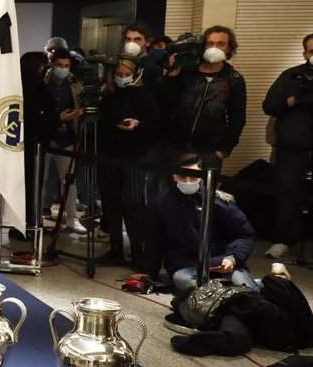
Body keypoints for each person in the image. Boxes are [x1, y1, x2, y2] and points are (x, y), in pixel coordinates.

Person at [133, 156, 259, 298]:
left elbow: (244, 234)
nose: (188, 181)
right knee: (186, 283)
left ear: (202, 176)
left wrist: (233, 258)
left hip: (223, 263)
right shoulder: (161, 204)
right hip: (186, 266)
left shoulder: (220, 202)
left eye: (193, 177)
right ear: (174, 176)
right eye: (182, 176)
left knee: (247, 290)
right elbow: (154, 241)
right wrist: (149, 272)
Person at [96, 53, 159, 267]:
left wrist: (138, 125)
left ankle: (137, 251)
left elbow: (155, 125)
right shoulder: (107, 95)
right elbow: (101, 123)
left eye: (126, 74)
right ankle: (115, 249)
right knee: (110, 202)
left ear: (135, 74)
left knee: (133, 204)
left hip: (134, 156)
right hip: (108, 155)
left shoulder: (145, 96)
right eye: (119, 74)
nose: (122, 78)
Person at [162, 25, 247, 167]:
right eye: (210, 43)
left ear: (229, 48)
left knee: (203, 183)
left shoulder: (234, 80)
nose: (214, 48)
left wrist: (223, 151)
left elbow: (237, 119)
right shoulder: (185, 73)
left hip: (209, 151)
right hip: (175, 146)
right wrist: (171, 77)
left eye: (221, 44)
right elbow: (166, 103)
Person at [261, 32, 313, 259]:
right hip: (292, 146)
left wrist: (300, 101)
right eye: (312, 51)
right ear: (305, 53)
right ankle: (282, 239)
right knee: (287, 193)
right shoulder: (291, 76)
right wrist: (290, 100)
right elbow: (269, 105)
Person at [42, 40, 86, 234]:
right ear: (52, 64)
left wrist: (78, 114)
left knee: (68, 180)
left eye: (67, 66)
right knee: (40, 180)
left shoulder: (74, 84)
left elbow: (80, 104)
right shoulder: (43, 82)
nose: (63, 69)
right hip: (44, 138)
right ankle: (36, 217)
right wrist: (57, 118)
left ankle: (72, 219)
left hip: (67, 138)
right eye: (60, 65)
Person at [20, 49, 58, 228]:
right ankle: (31, 222)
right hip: (35, 143)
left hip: (24, 141)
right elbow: (45, 113)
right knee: (33, 185)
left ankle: (26, 222)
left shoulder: (21, 84)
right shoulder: (38, 87)